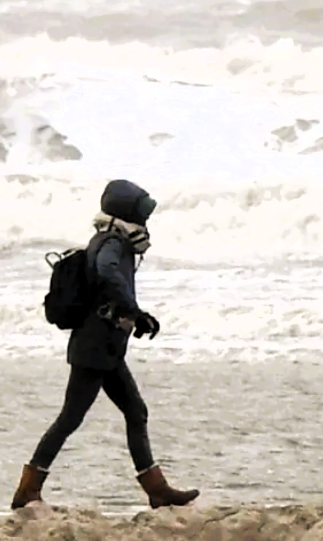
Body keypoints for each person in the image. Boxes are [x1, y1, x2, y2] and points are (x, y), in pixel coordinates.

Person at [11, 179, 200, 510]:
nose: (145, 225)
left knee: (135, 411)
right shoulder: (112, 242)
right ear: (129, 215)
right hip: (95, 348)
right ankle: (28, 487)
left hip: (106, 348)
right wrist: (134, 312)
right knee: (71, 418)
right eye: (141, 217)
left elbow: (110, 279)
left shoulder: (110, 240)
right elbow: (107, 272)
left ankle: (156, 489)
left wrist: (134, 315)